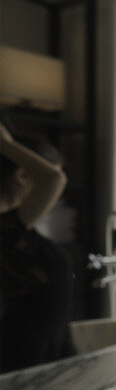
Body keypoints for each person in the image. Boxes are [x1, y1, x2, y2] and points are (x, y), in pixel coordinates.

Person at [0, 122, 74, 372]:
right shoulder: (8, 228)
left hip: (46, 352)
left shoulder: (15, 227)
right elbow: (53, 179)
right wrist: (5, 144)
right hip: (27, 356)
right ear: (22, 175)